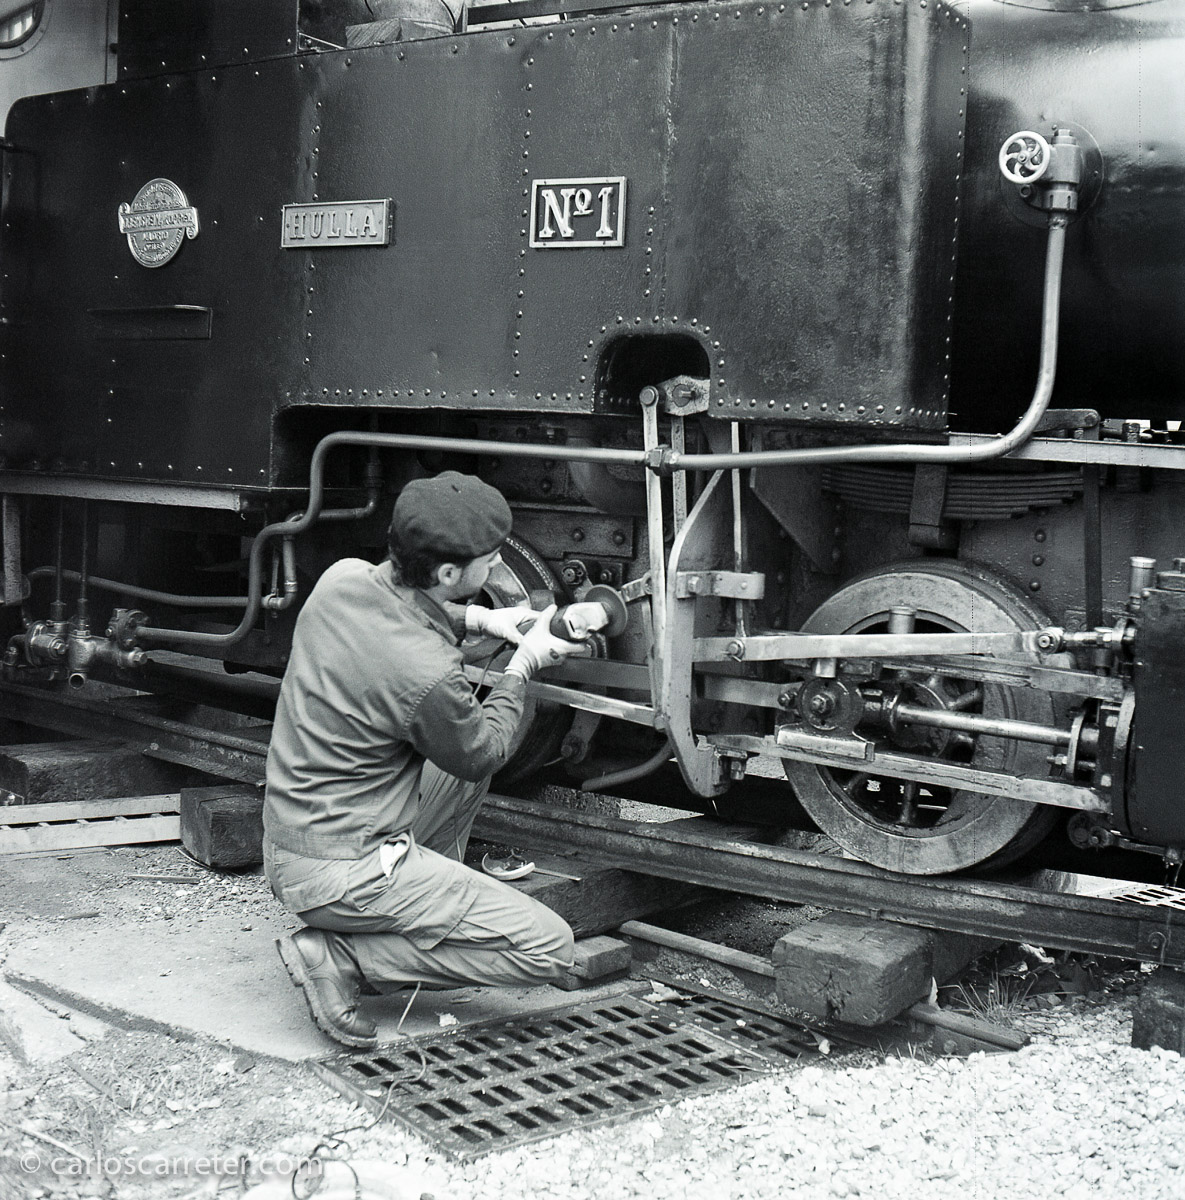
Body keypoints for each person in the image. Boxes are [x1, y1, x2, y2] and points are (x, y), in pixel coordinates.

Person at [264, 471, 585, 1048]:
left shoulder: (341, 579)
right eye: (489, 560)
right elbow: (484, 752)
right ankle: (342, 957)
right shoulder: (425, 672)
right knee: (550, 949)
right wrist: (524, 666)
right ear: (448, 575)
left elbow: (406, 612)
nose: (496, 565)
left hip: (295, 840)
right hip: (344, 874)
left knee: (457, 772)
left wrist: (486, 619)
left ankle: (421, 902)